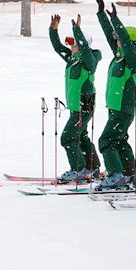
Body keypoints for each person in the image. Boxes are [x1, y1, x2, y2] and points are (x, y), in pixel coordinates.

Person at [94, 0, 136, 190]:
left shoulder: (133, 61)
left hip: (123, 109)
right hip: (114, 107)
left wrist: (117, 22)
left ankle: (116, 175)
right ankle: (129, 174)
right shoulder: (120, 57)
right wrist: (102, 15)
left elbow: (123, 41)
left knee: (107, 140)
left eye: (119, 39)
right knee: (119, 140)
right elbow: (111, 35)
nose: (115, 42)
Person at [49, 13, 102, 183]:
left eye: (74, 44)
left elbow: (85, 51)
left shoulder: (89, 61)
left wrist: (77, 30)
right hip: (76, 107)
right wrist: (53, 30)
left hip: (83, 106)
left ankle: (78, 169)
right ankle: (92, 168)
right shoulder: (73, 59)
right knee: (82, 137)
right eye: (70, 44)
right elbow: (58, 47)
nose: (71, 47)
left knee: (68, 138)